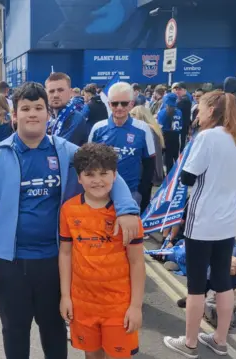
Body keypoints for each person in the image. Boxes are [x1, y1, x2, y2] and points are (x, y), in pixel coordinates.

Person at [0, 82, 141, 359]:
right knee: (14, 330)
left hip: (53, 261)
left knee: (53, 328)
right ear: (15, 115)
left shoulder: (66, 151)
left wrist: (126, 208)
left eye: (39, 108)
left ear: (48, 113)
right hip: (9, 263)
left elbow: (109, 172)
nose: (32, 114)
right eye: (25, 108)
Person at [163, 91, 236, 359]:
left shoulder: (206, 137)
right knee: (222, 281)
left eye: (199, 108)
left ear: (211, 110)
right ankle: (220, 339)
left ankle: (189, 343)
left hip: (203, 219)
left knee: (196, 284)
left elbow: (187, 177)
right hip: (228, 219)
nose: (197, 113)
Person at [59, 143, 145, 359]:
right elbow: (66, 253)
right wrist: (65, 296)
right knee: (92, 355)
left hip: (118, 306)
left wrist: (135, 306)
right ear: (79, 178)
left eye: (104, 173)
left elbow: (136, 262)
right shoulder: (69, 210)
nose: (97, 180)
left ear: (115, 175)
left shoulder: (128, 218)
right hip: (83, 304)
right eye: (89, 174)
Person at [89, 82, 156, 204]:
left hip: (131, 193)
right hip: (102, 192)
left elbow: (150, 163)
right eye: (115, 103)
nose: (119, 107)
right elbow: (88, 161)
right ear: (109, 104)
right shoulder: (98, 128)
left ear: (131, 104)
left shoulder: (143, 129)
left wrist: (142, 191)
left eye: (124, 103)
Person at [130, 105, 164, 212]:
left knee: (142, 204)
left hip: (145, 172)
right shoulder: (155, 129)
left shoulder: (146, 129)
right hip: (151, 172)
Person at [45, 72, 88, 146]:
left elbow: (60, 148)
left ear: (70, 92)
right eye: (51, 91)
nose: (56, 95)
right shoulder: (50, 119)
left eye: (60, 90)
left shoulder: (76, 119)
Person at [157, 93, 183, 173]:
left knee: (165, 159)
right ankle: (176, 176)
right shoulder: (179, 112)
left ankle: (167, 178)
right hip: (176, 137)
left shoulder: (162, 112)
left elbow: (159, 127)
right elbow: (181, 126)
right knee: (175, 158)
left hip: (165, 136)